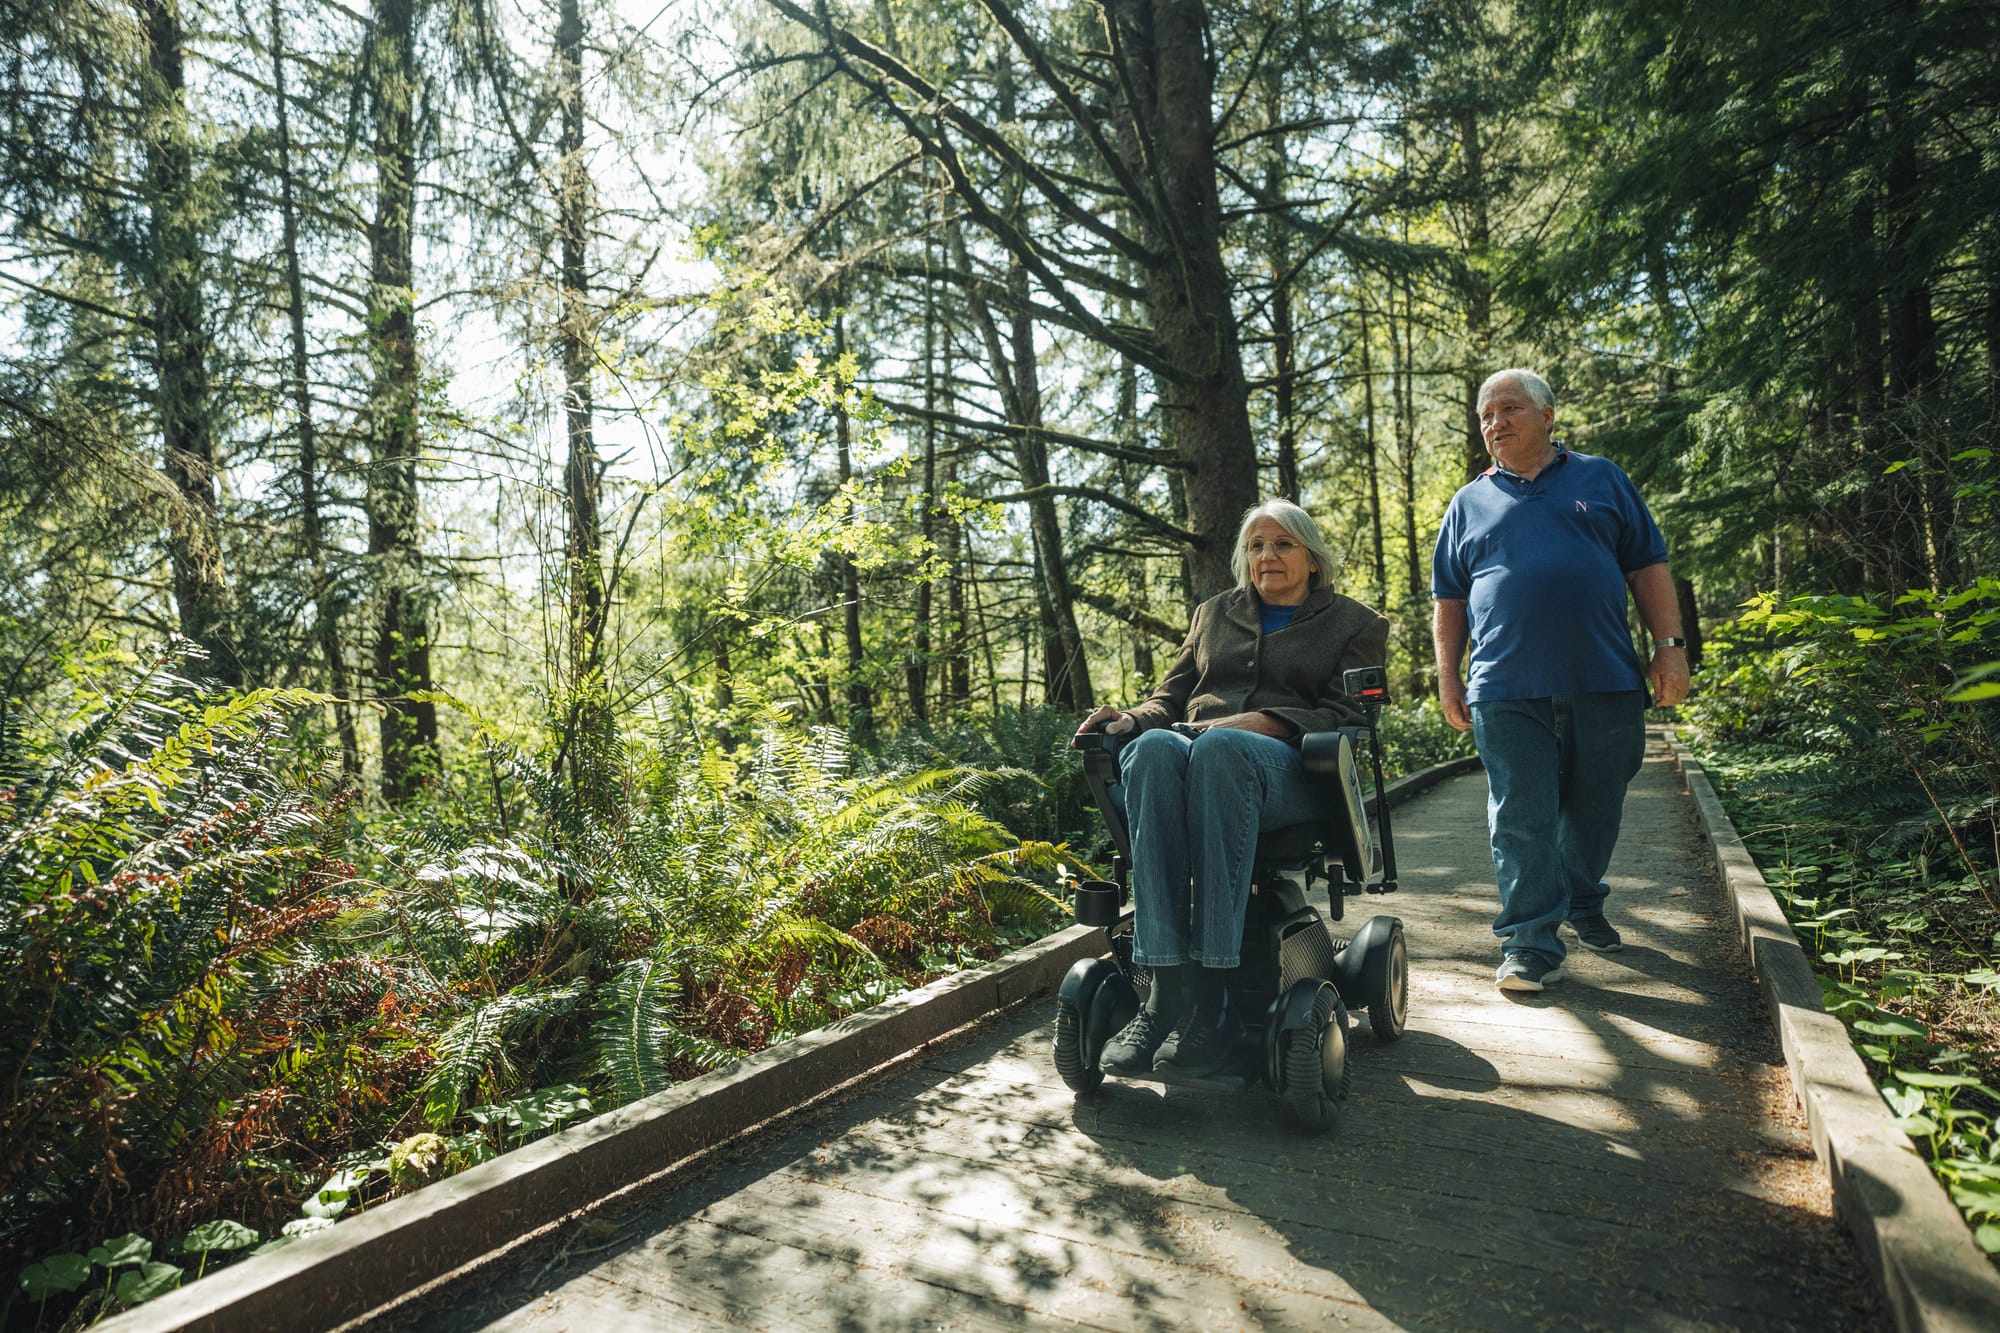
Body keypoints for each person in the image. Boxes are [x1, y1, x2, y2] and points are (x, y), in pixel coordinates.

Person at [1076, 499, 1389, 1075]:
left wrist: (1266, 722)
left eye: (1282, 544)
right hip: (1196, 756)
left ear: (1312, 559)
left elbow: (1352, 717)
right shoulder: (1213, 613)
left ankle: (1215, 1002)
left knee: (1220, 748)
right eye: (1256, 546)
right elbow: (1169, 700)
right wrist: (1130, 719)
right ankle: (1167, 992)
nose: (1266, 556)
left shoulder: (1356, 623)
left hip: (1291, 776)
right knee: (1149, 748)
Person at [1431, 368, 1691, 994]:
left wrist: (1670, 648)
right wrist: (1447, 676)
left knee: (1598, 800)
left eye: (1511, 409)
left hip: (1604, 675)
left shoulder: (1602, 479)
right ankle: (1529, 942)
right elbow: (1449, 599)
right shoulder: (1466, 503)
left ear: (1547, 416)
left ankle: (1579, 893)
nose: (1496, 423)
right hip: (1504, 684)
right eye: (1487, 415)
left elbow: (1648, 566)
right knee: (1520, 812)